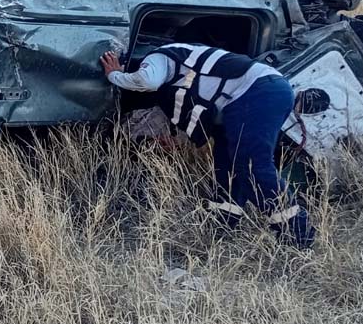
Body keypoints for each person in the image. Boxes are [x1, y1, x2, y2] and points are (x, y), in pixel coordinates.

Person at [100, 43, 315, 248]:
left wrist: (116, 75)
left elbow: (147, 81)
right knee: (226, 166)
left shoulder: (158, 57)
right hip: (250, 96)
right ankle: (222, 226)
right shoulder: (182, 59)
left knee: (252, 166)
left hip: (257, 92)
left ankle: (298, 234)